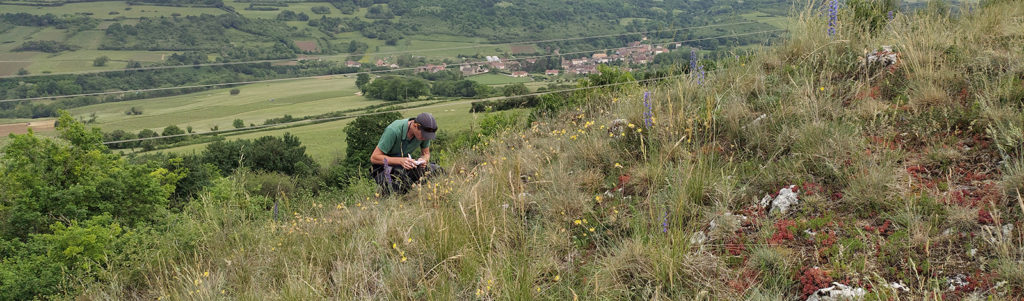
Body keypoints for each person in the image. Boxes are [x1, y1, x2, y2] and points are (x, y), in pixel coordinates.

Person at [370, 112, 442, 195]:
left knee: (437, 171)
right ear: (415, 126)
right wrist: (400, 161)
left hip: (405, 164)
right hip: (384, 167)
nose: (425, 138)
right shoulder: (393, 130)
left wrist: (424, 160)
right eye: (424, 135)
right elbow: (374, 158)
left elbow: (426, 153)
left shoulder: (424, 132)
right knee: (401, 186)